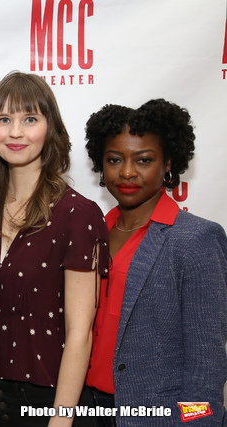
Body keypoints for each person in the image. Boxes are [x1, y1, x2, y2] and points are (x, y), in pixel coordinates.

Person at [0, 71, 109, 427]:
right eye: (4, 119)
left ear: (50, 129)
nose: (16, 132)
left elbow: (80, 332)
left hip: (49, 402)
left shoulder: (78, 214)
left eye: (30, 119)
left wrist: (60, 420)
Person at [84, 99, 227, 426]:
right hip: (87, 410)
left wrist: (197, 422)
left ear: (168, 164)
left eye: (144, 160)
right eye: (114, 159)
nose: (127, 172)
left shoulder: (196, 239)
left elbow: (206, 364)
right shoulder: (92, 233)